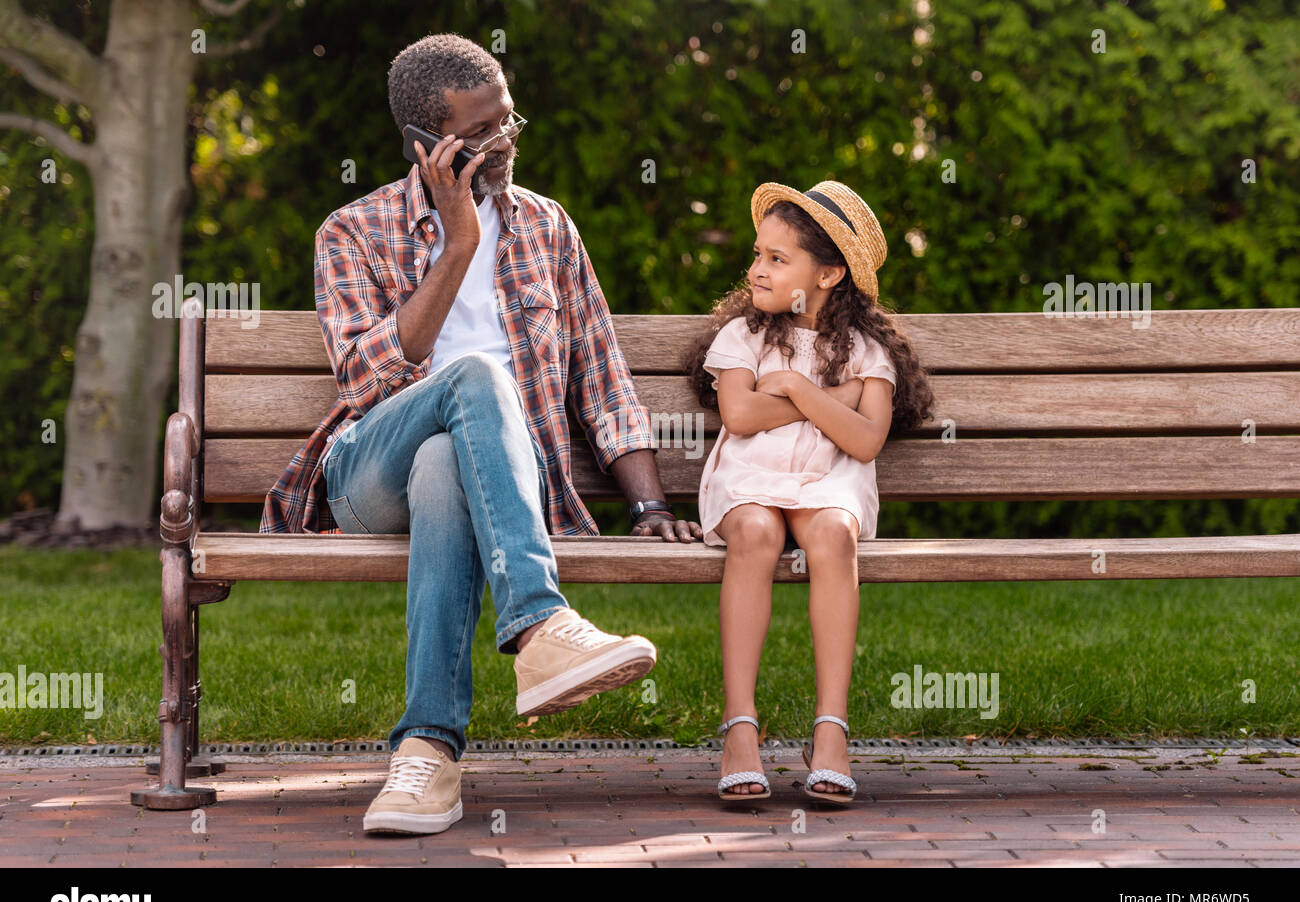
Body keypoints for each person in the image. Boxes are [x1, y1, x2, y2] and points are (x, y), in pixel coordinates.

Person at [260, 34, 703, 835]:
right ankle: (538, 623)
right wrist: (459, 242)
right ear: (427, 145)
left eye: (509, 122)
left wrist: (646, 508)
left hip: (483, 475)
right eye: (483, 133)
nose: (505, 143)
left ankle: (427, 753)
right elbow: (365, 383)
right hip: (367, 470)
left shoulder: (547, 228)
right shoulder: (352, 232)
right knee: (468, 381)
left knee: (446, 468)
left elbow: (604, 379)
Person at [683, 181, 935, 804]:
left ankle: (831, 729)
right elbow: (738, 415)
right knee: (757, 533)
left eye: (776, 258)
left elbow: (867, 439)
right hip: (750, 475)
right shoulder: (744, 335)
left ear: (828, 273)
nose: (756, 269)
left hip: (832, 479)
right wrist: (817, 395)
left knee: (832, 534)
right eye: (757, 253)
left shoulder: (867, 350)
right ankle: (740, 727)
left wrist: (795, 388)